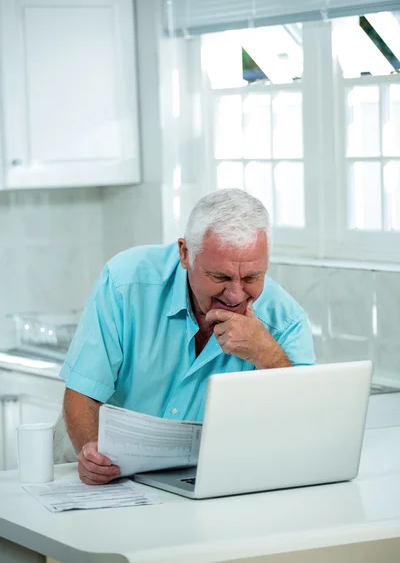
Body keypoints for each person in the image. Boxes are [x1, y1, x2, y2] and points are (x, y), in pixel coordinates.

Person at [59, 189, 315, 484]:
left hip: (204, 480)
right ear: (185, 254)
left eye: (251, 278)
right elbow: (82, 391)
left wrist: (267, 355)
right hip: (108, 468)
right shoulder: (125, 281)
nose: (235, 294)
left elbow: (307, 428)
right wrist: (91, 451)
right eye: (219, 277)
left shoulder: (286, 320)